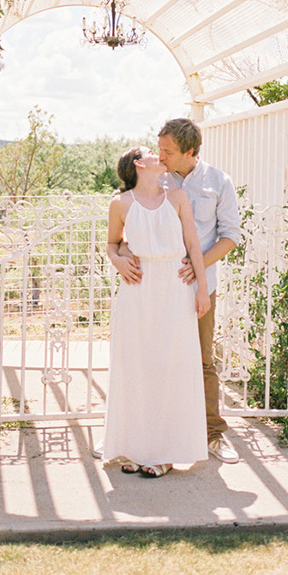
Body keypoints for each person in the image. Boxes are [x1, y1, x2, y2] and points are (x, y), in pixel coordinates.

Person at [101, 145, 209, 478]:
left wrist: (201, 289)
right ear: (138, 164)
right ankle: (136, 448)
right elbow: (111, 244)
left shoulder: (177, 197)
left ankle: (164, 453)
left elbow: (193, 245)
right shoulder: (120, 204)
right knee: (137, 366)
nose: (159, 155)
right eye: (152, 151)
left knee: (170, 367)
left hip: (174, 288)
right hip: (137, 290)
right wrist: (119, 261)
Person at [156, 118, 242, 464]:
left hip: (201, 288)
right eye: (159, 148)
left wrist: (198, 264)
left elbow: (231, 235)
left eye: (168, 151)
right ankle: (148, 434)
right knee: (156, 358)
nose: (160, 156)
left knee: (203, 360)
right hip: (159, 288)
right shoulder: (155, 179)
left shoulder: (219, 182)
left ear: (189, 152)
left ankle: (213, 435)